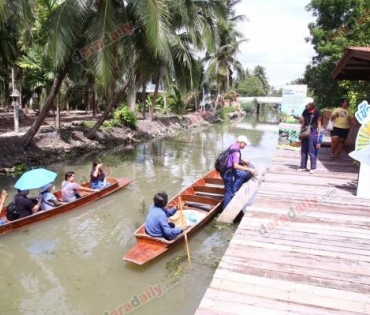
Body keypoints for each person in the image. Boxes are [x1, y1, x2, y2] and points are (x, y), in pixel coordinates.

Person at [221, 135, 258, 210]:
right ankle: (224, 211)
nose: (245, 146)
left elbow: (233, 158)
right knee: (229, 193)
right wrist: (249, 169)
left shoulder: (232, 146)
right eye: (245, 144)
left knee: (242, 174)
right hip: (228, 172)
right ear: (241, 143)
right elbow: (235, 166)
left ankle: (234, 188)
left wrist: (242, 160)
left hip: (226, 169)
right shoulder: (236, 151)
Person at [297, 102, 322, 174]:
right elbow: (303, 121)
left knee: (312, 149)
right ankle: (303, 166)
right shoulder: (305, 111)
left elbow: (319, 122)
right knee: (303, 149)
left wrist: (319, 132)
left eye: (308, 105)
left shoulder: (317, 112)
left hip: (313, 130)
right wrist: (301, 130)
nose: (306, 106)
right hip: (305, 130)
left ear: (312, 106)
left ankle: (313, 168)